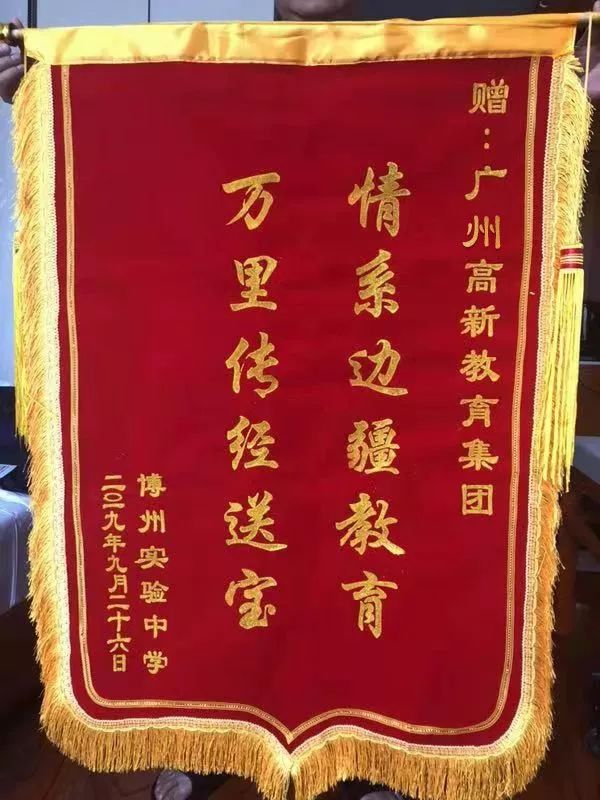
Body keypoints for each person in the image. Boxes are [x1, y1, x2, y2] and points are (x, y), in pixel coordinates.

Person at [1, 1, 599, 799]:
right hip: (232, 399)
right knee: (231, 570)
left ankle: (376, 761)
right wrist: (51, 93)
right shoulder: (194, 62)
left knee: (367, 576)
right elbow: (151, 204)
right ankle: (215, 747)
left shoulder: (430, 62)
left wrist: (570, 91)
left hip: (370, 398)